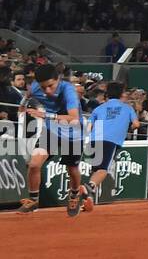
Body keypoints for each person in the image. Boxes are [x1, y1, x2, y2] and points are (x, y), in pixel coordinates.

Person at [19, 64, 85, 215]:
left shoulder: (68, 90)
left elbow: (73, 118)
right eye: (43, 88)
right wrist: (23, 105)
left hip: (73, 133)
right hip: (52, 132)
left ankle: (74, 195)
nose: (47, 91)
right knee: (34, 164)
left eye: (50, 86)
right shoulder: (36, 86)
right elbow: (28, 94)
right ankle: (34, 200)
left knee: (72, 168)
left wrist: (46, 115)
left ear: (59, 79)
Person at [81, 81, 139, 211]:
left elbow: (89, 126)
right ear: (120, 94)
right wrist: (126, 128)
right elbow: (136, 125)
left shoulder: (99, 108)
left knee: (95, 170)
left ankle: (88, 199)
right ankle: (88, 187)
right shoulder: (127, 108)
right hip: (110, 140)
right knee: (102, 170)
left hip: (94, 139)